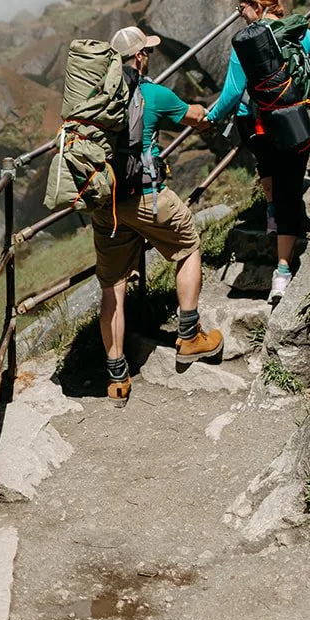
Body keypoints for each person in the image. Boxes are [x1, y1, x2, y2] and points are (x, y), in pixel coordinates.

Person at [91, 25, 224, 401]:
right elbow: (193, 116)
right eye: (146, 51)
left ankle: (117, 378)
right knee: (189, 246)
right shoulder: (152, 94)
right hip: (147, 198)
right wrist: (206, 115)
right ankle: (189, 336)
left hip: (107, 204)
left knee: (113, 286)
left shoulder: (95, 99)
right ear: (138, 57)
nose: (149, 56)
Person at [205, 0, 310, 304]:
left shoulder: (246, 43)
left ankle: (272, 218)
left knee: (268, 167)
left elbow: (232, 93)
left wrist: (211, 119)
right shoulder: (297, 30)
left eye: (241, 7)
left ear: (256, 6)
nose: (240, 13)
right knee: (290, 189)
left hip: (260, 127)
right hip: (295, 124)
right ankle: (282, 272)